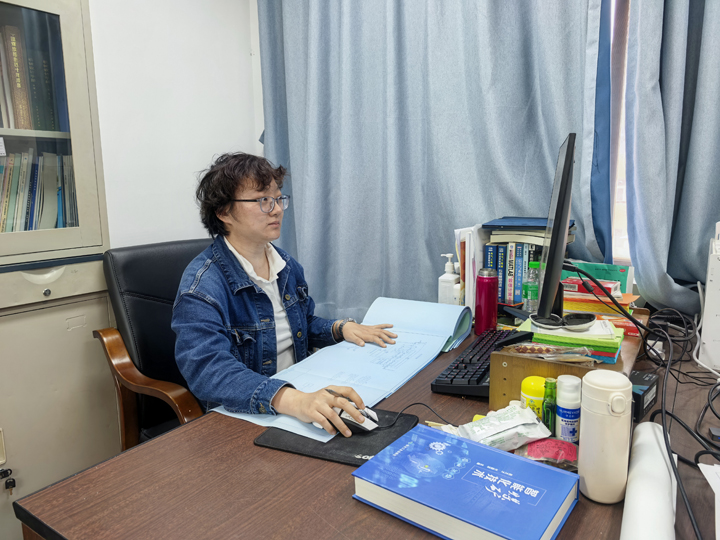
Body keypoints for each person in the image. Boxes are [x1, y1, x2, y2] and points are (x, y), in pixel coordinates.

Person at [172, 153, 397, 437]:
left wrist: (340, 328)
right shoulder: (201, 286)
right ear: (223, 212)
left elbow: (301, 324)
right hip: (247, 415)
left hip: (298, 396)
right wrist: (293, 400)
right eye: (263, 200)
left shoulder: (286, 265)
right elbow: (208, 370)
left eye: (279, 199)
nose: (277, 209)